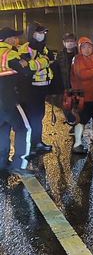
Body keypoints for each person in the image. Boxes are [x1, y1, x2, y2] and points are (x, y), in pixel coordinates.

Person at [0, 27, 34, 175]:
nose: (16, 40)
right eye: (14, 37)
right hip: (9, 99)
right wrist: (33, 63)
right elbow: (26, 71)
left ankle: (1, 163)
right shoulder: (9, 53)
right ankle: (19, 165)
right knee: (24, 129)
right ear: (8, 39)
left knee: (2, 129)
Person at [18, 23, 54, 155]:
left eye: (44, 33)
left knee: (38, 116)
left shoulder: (44, 48)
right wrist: (43, 62)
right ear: (32, 33)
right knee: (33, 117)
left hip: (42, 87)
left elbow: (50, 62)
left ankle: (36, 142)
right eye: (39, 32)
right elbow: (27, 68)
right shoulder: (25, 49)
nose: (42, 35)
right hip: (30, 88)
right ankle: (33, 145)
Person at [70, 37, 93, 154]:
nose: (87, 49)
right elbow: (81, 74)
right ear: (80, 48)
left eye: (89, 46)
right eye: (84, 47)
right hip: (84, 97)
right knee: (81, 120)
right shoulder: (77, 59)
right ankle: (77, 144)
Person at [54, 33, 78, 130]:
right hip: (64, 85)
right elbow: (57, 69)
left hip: (77, 85)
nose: (69, 43)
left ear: (75, 42)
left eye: (71, 41)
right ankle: (72, 121)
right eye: (67, 41)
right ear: (63, 43)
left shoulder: (79, 54)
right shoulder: (60, 55)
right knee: (65, 107)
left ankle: (76, 125)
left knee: (76, 106)